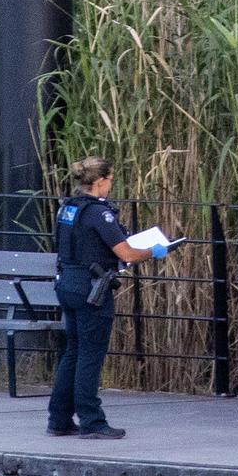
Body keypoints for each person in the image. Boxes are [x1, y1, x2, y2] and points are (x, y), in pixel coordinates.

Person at [48, 157, 168, 440]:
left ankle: (59, 418)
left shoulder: (69, 207)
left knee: (73, 352)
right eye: (111, 180)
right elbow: (126, 253)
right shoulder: (99, 213)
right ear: (99, 181)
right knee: (90, 354)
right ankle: (91, 420)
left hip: (67, 282)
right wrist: (155, 250)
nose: (111, 185)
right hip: (92, 289)